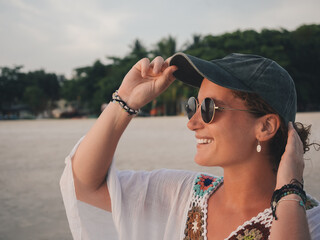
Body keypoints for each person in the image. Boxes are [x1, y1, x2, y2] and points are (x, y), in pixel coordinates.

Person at [60, 52, 320, 239]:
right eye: (193, 106)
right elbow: (84, 184)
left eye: (208, 108)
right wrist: (125, 102)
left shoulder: (310, 221)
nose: (192, 123)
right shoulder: (182, 195)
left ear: (265, 127)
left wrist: (289, 192)